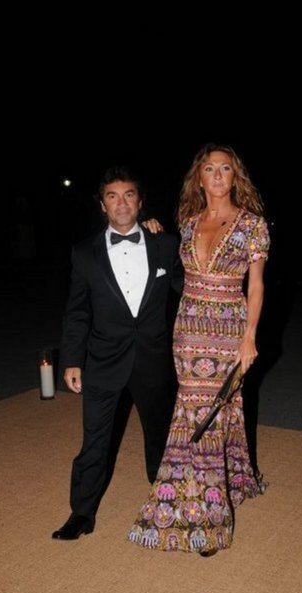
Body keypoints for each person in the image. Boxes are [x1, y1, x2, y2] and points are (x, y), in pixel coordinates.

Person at [128, 143, 270, 555]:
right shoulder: (188, 224)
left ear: (235, 177)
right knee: (194, 410)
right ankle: (226, 484)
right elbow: (169, 265)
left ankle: (210, 517)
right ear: (200, 178)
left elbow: (256, 286)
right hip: (188, 329)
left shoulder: (252, 225)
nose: (218, 175)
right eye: (210, 168)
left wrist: (250, 336)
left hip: (228, 329)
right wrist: (151, 231)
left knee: (214, 413)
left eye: (226, 168)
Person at [52, 166, 183, 541]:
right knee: (94, 440)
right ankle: (81, 513)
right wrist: (72, 359)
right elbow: (78, 311)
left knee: (159, 438)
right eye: (112, 196)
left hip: (152, 359)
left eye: (129, 195)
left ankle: (168, 505)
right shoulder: (84, 253)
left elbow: (190, 290)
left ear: (140, 203)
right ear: (102, 205)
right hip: (103, 360)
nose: (121, 203)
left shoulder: (165, 244)